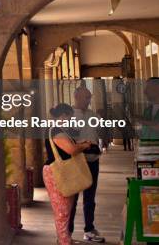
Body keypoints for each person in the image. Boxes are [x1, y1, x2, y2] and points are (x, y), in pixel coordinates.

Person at [44, 103, 93, 245]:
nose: (70, 121)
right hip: (56, 172)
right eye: (69, 118)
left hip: (58, 171)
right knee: (62, 210)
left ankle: (65, 239)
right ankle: (64, 241)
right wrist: (84, 145)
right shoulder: (56, 131)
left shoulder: (56, 130)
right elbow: (71, 150)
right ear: (63, 115)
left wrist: (80, 143)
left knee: (64, 209)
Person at [68, 86, 105, 243]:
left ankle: (89, 229)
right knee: (73, 199)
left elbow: (98, 133)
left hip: (93, 161)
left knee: (90, 198)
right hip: (76, 162)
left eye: (89, 98)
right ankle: (67, 232)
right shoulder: (68, 115)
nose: (88, 101)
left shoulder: (92, 115)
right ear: (76, 97)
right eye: (85, 98)